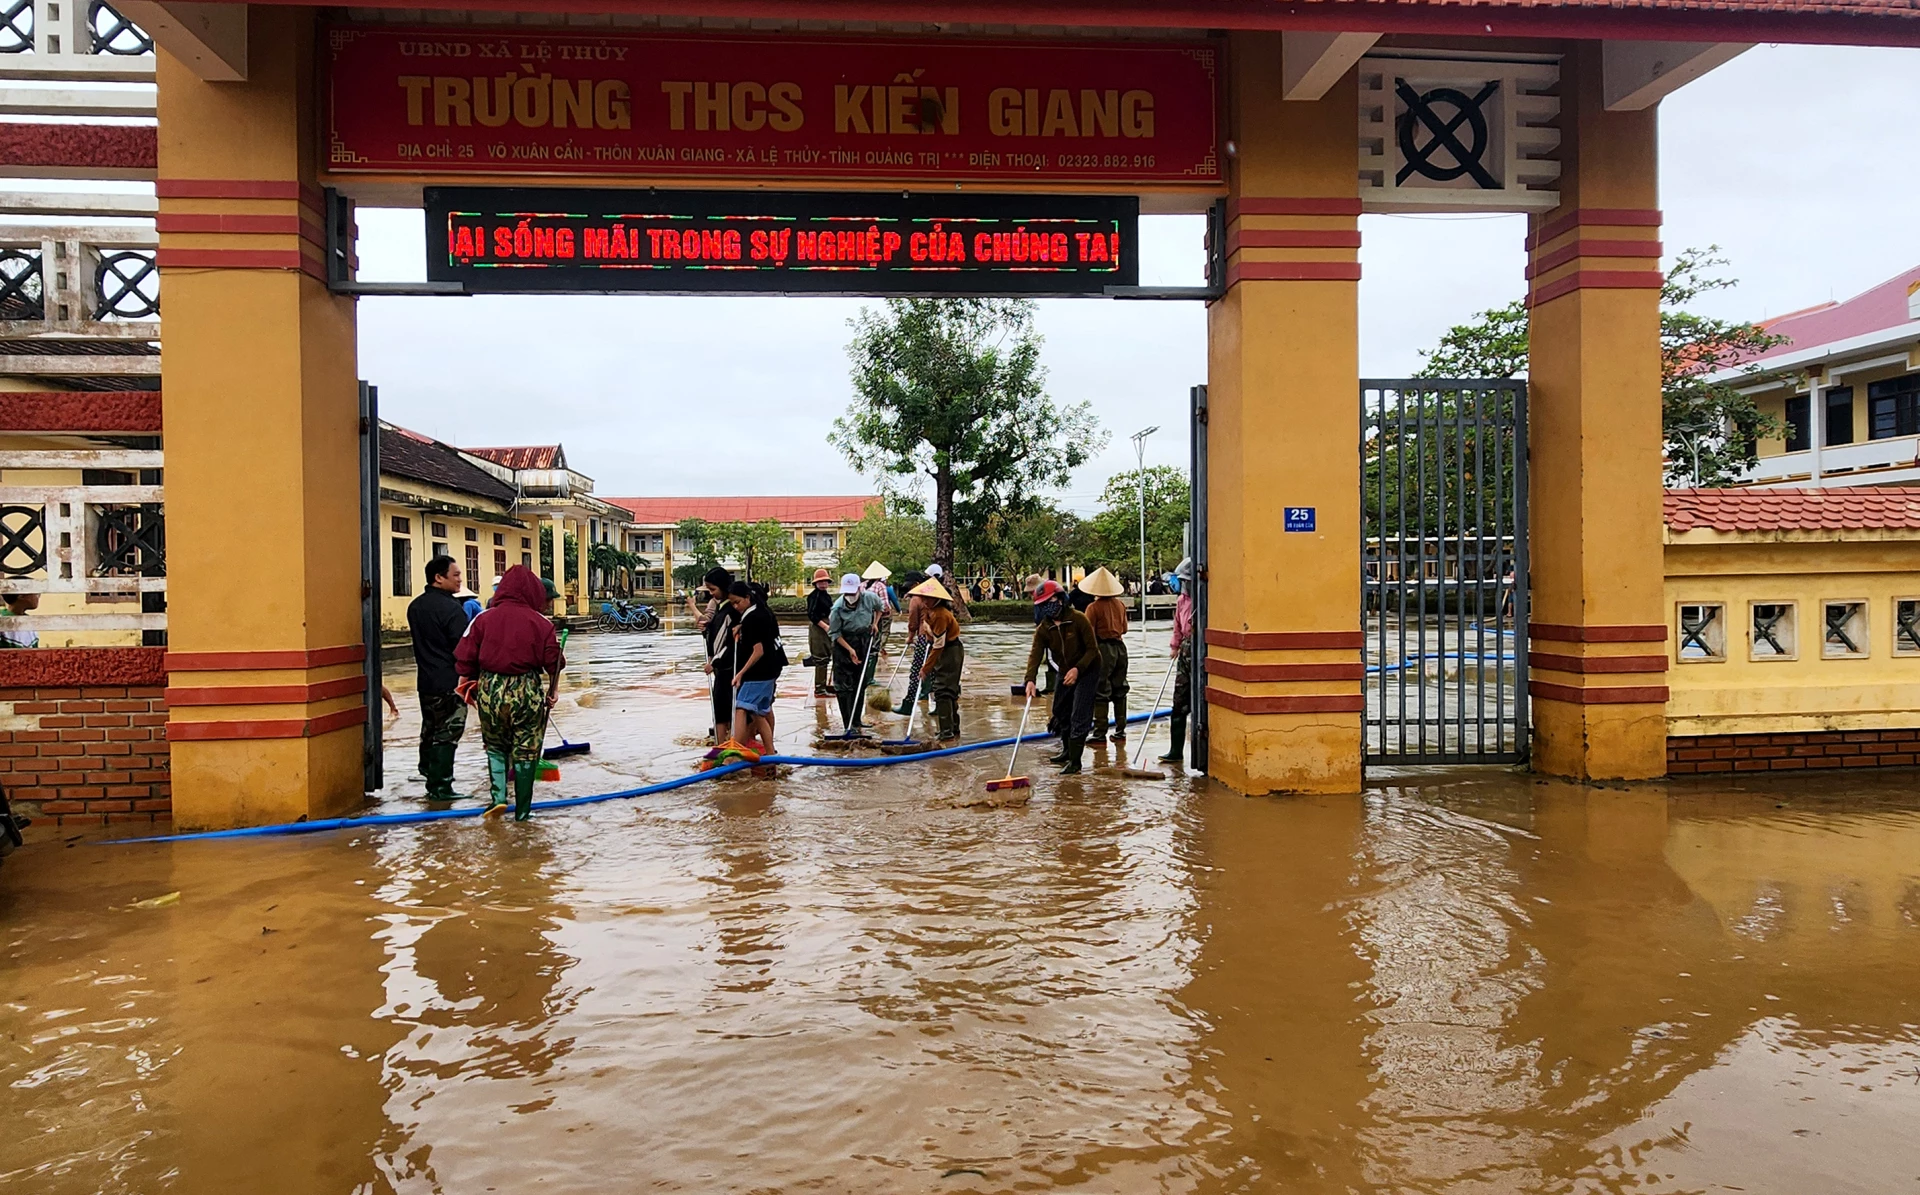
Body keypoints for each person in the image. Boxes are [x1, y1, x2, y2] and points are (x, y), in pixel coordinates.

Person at [454, 565, 564, 820]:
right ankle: (523, 813)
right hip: (526, 689)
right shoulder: (542, 623)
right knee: (526, 750)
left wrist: (466, 686)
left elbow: (465, 657)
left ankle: (498, 798)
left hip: (490, 689)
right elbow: (554, 662)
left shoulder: (482, 619)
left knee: (495, 745)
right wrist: (553, 690)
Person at [407, 554, 472, 800]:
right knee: (448, 733)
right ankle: (441, 787)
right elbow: (463, 649)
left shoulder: (415, 606)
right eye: (455, 575)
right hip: (451, 682)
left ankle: (428, 771)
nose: (459, 580)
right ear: (438, 577)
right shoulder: (453, 610)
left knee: (430, 728)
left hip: (426, 681)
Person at [1023, 580, 1102, 775]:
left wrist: (1077, 669)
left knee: (1079, 714)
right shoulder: (1044, 628)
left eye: (1051, 601)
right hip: (1064, 669)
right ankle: (1066, 751)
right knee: (1060, 709)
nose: (1049, 606)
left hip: (1087, 669)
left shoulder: (1078, 619)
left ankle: (1075, 762)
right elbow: (1035, 654)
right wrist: (1030, 680)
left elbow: (1092, 650)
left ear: (1060, 599)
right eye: (1044, 604)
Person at [728, 580, 784, 756]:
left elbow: (758, 651)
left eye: (738, 602)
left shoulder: (753, 617)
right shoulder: (762, 612)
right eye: (732, 604)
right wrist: (741, 626)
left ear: (748, 597)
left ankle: (734, 753)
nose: (736, 606)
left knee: (741, 708)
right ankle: (770, 753)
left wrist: (740, 673)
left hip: (760, 672)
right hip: (772, 669)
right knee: (759, 714)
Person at [1081, 566, 1131, 747]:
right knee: (1120, 689)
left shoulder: (1093, 608)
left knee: (1100, 691)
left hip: (1102, 649)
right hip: (1120, 649)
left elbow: (1087, 633)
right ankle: (1120, 731)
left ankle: (1100, 733)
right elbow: (1125, 629)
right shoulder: (1120, 605)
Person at [911, 577, 965, 741]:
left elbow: (938, 644)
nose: (924, 601)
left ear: (937, 598)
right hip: (944, 651)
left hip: (950, 652)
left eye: (927, 598)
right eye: (923, 598)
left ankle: (947, 731)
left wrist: (926, 667)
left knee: (944, 691)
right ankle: (951, 728)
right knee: (947, 690)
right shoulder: (929, 612)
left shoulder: (941, 615)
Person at [828, 572, 881, 736]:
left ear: (859, 588)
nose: (850, 595)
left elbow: (880, 608)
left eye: (853, 591)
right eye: (847, 593)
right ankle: (848, 724)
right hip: (843, 644)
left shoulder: (869, 598)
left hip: (863, 640)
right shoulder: (837, 609)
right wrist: (850, 650)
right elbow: (835, 634)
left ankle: (857, 721)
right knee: (844, 686)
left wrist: (875, 623)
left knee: (860, 682)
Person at [694, 567, 737, 745]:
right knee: (720, 711)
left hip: (729, 669)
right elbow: (715, 635)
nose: (711, 594)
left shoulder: (731, 612)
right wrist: (706, 629)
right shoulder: (720, 608)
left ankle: (729, 745)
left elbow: (730, 644)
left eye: (713, 590)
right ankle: (721, 745)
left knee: (728, 711)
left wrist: (714, 661)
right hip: (721, 669)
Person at [1160, 558, 1195, 767]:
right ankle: (1175, 750)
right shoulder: (1182, 600)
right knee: (1179, 702)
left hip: (1199, 651)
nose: (1185, 584)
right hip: (1184, 652)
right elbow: (1177, 627)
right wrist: (1175, 646)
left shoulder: (1204, 601)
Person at [892, 569, 929, 715]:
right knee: (933, 670)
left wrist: (910, 636)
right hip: (937, 637)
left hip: (923, 636)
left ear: (917, 584)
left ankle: (908, 703)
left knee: (916, 670)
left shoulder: (916, 598)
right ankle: (939, 704)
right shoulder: (931, 595)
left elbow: (913, 621)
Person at [805, 567, 835, 697]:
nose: (823, 584)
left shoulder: (826, 596)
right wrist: (825, 626)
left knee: (827, 656)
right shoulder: (813, 596)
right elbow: (812, 615)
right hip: (819, 627)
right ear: (816, 583)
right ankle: (819, 688)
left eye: (825, 582)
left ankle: (824, 685)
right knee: (821, 658)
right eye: (820, 582)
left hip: (827, 625)